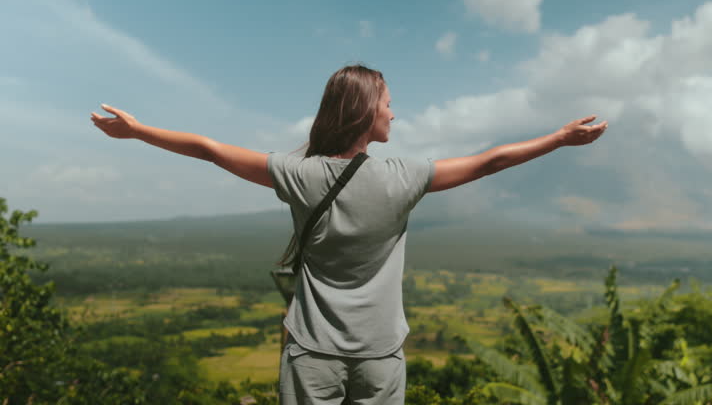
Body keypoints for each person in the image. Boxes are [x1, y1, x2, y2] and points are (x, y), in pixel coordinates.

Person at [91, 64, 608, 404]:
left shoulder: (299, 174)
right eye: (387, 103)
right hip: (381, 356)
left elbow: (208, 147)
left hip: (311, 353)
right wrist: (559, 139)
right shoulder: (405, 177)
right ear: (365, 111)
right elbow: (491, 161)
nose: (393, 111)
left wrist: (136, 131)